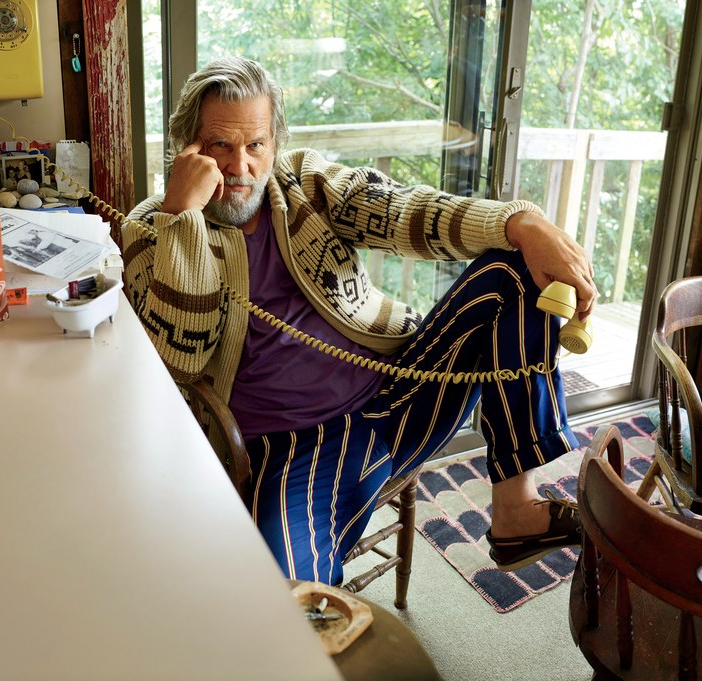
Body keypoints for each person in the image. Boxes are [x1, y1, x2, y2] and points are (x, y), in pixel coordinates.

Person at [122, 56, 597, 585]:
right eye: (220, 146)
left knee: (512, 272)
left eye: (255, 145)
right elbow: (177, 358)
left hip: (398, 395)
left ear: (274, 145)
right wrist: (183, 218)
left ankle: (516, 511)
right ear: (189, 148)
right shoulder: (151, 229)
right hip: (293, 447)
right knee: (287, 595)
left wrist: (523, 222)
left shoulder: (305, 183)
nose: (240, 167)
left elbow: (404, 211)